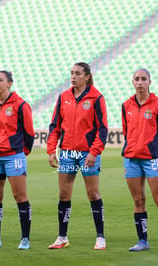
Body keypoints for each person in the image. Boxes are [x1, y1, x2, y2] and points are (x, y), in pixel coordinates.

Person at [47, 62, 108, 250]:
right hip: (67, 153)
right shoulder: (64, 97)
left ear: (87, 76)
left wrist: (94, 152)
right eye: (72, 73)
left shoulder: (96, 98)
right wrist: (51, 150)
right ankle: (62, 237)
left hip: (87, 153)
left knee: (92, 193)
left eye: (78, 73)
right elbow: (55, 126)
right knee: (64, 194)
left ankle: (100, 237)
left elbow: (102, 129)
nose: (73, 77)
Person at [122, 68, 158, 252]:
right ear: (132, 82)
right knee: (138, 201)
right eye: (136, 79)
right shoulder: (126, 106)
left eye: (143, 79)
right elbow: (126, 131)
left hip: (152, 159)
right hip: (131, 159)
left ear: (149, 82)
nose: (139, 82)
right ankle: (142, 241)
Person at [0, 70, 35, 250]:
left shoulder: (21, 105)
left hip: (14, 156)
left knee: (20, 197)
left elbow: (29, 134)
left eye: (0, 80)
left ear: (9, 83)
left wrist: (20, 152)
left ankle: (25, 239)